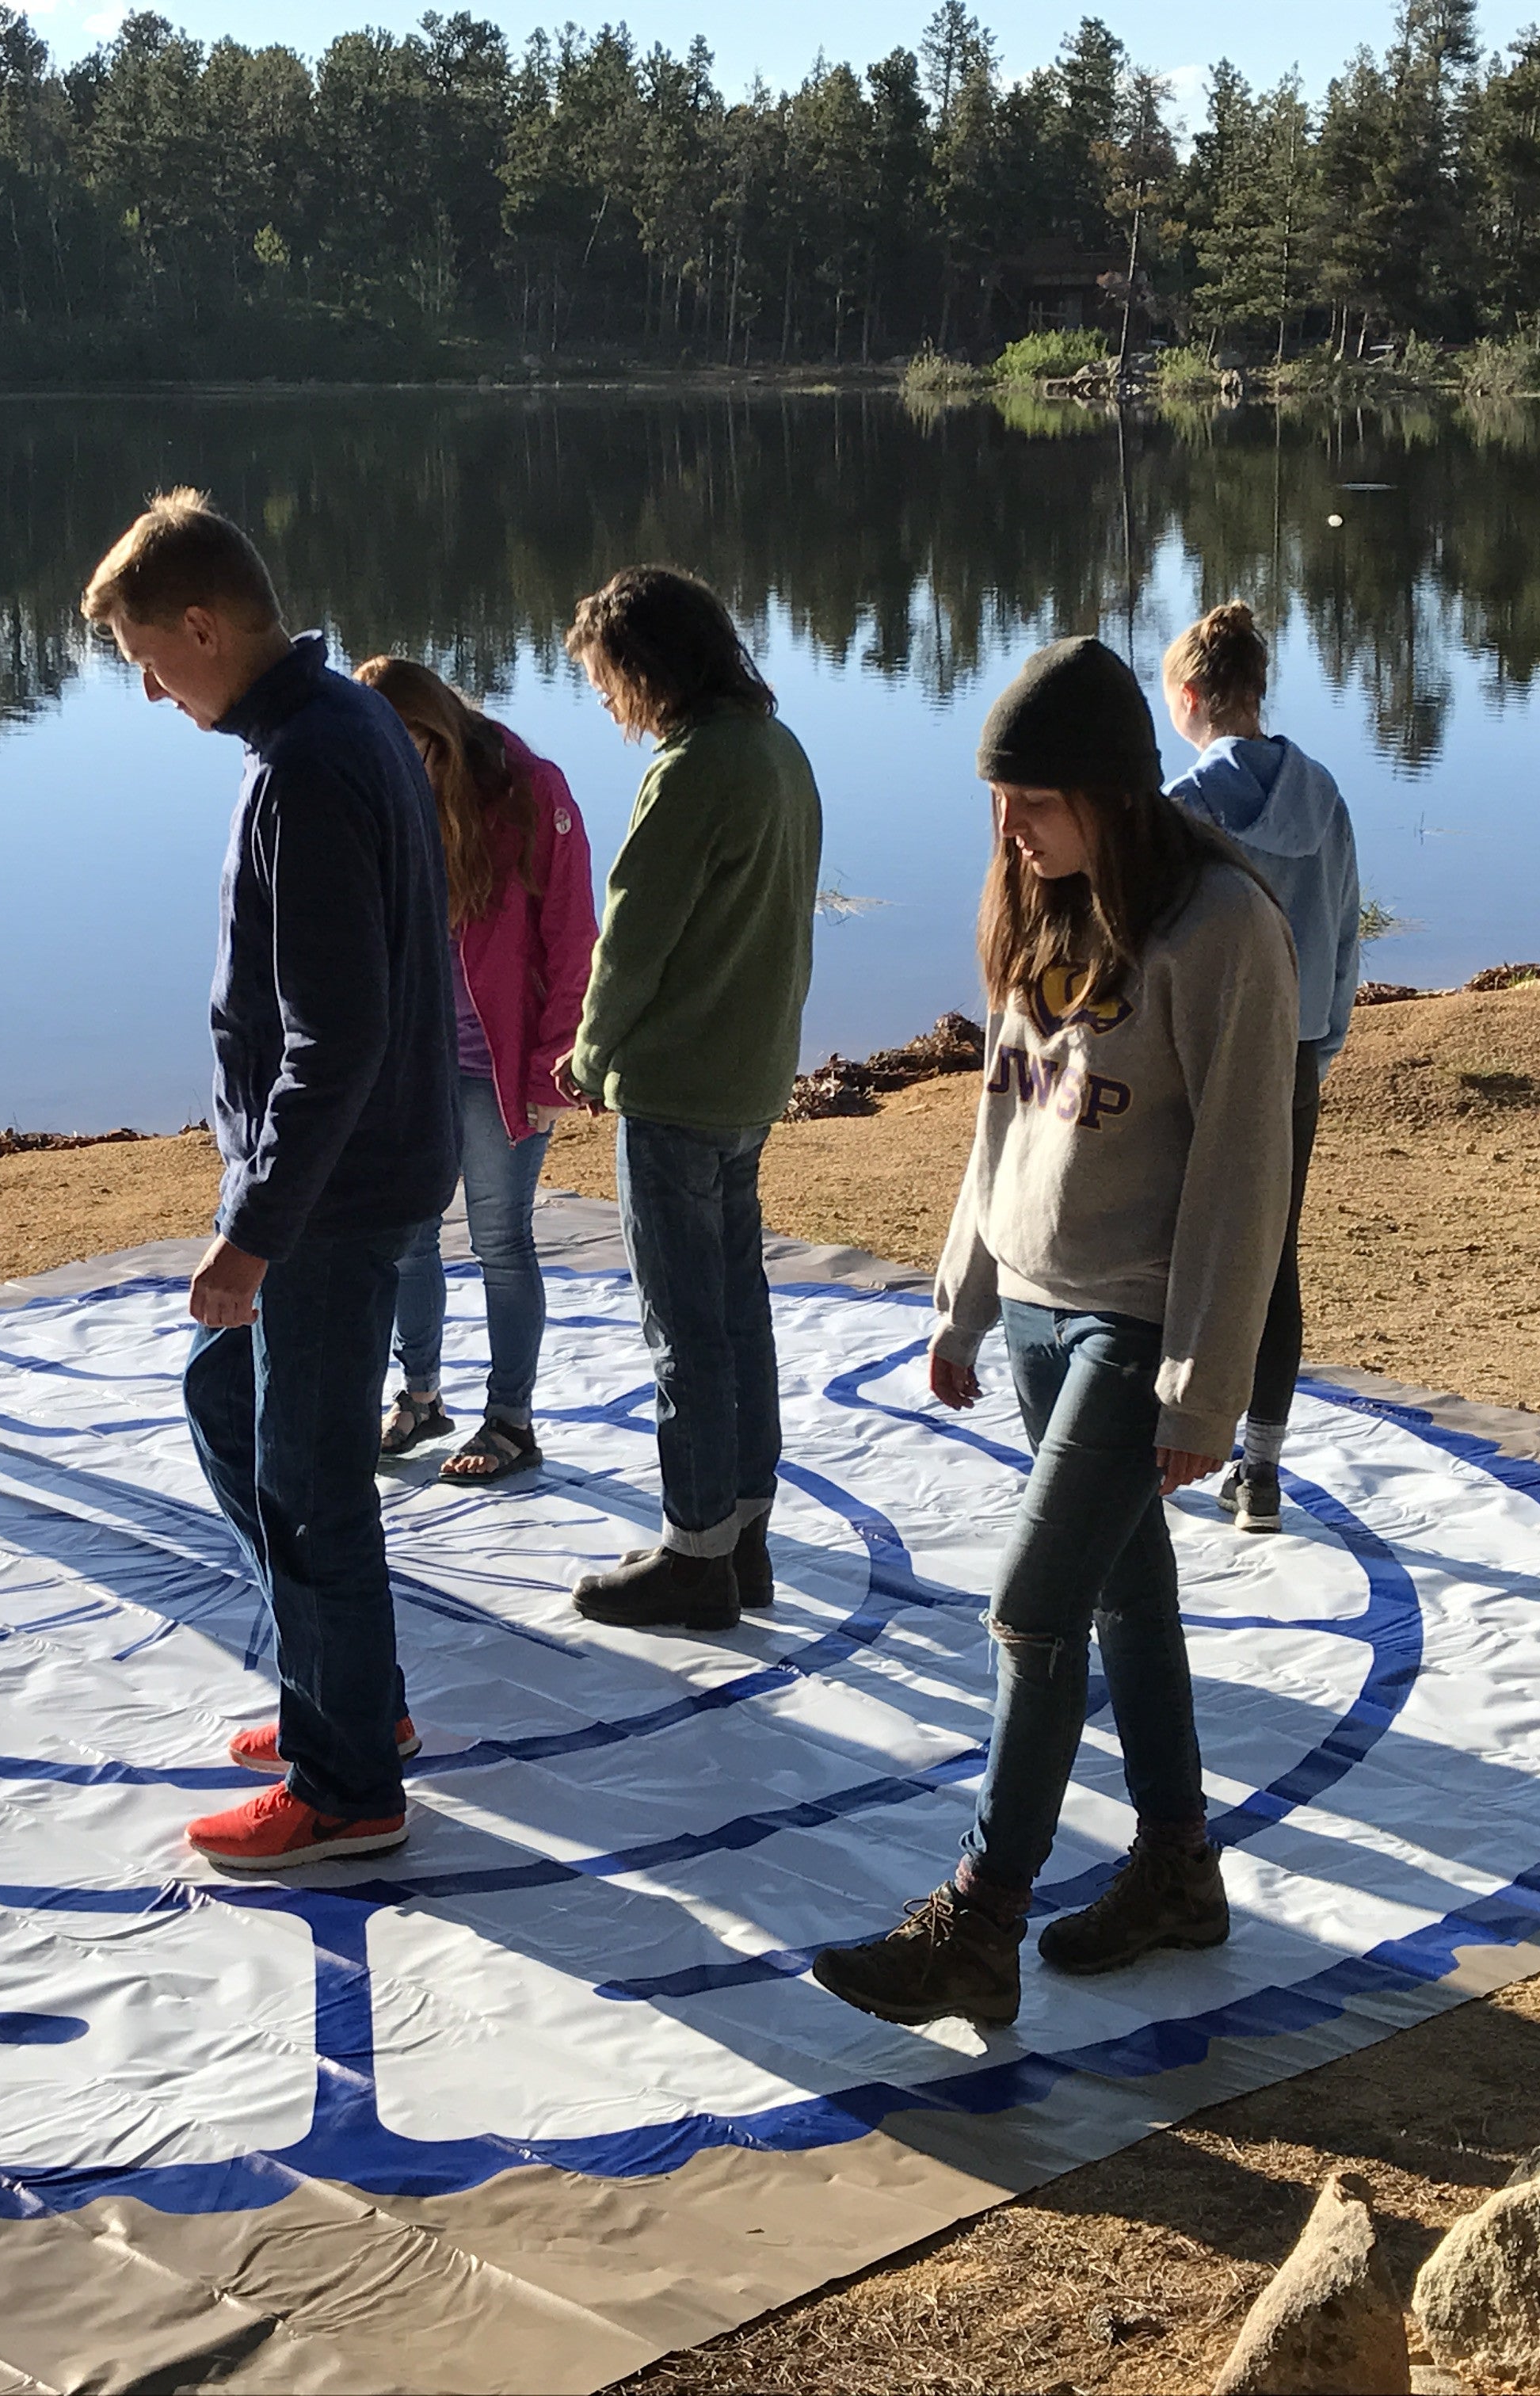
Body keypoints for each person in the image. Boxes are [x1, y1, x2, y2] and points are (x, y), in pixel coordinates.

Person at [810, 636, 1298, 2029]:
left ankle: (976, 1920)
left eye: (1033, 801)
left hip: (1135, 1317)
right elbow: (1001, 1109)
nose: (1009, 830)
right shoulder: (1033, 898)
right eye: (997, 803)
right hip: (1033, 1303)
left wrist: (1204, 1391)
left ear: (1113, 789)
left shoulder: (1221, 930)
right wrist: (964, 1291)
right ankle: (1176, 1869)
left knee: (1032, 1609)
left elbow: (1243, 1173)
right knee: (1125, 1595)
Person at [80, 489, 457, 1871]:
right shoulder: (336, 727)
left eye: (146, 652)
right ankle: (352, 1693)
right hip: (354, 1178)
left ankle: (348, 1782)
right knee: (224, 1403)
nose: (143, 684)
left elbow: (336, 1031)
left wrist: (251, 1231)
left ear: (202, 623)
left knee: (307, 1475)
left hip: (334, 1197)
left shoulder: (309, 759)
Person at [553, 567, 822, 1634]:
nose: (607, 703)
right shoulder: (777, 750)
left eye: (610, 679)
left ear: (652, 668)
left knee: (683, 1328)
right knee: (737, 1308)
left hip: (675, 1085)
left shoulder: (692, 770)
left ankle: (694, 1551)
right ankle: (744, 1537)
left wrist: (585, 1053)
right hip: (750, 1077)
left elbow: (633, 939)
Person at [353, 657, 599, 1483]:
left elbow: (574, 938)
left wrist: (555, 1062)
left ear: (438, 731)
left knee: (500, 1240)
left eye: (406, 752)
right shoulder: (382, 791)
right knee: (409, 1236)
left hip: (501, 1069)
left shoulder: (531, 790)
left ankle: (512, 1420)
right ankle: (419, 1398)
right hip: (411, 1062)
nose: (395, 771)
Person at [1161, 601, 1360, 1536]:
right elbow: (1350, 930)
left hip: (1200, 1063)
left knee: (1174, 1249)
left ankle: (1151, 1446)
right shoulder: (1322, 793)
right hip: (1292, 1058)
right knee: (1272, 1259)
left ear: (1193, 697)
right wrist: (1322, 1041)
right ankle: (1262, 1472)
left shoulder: (1180, 809)